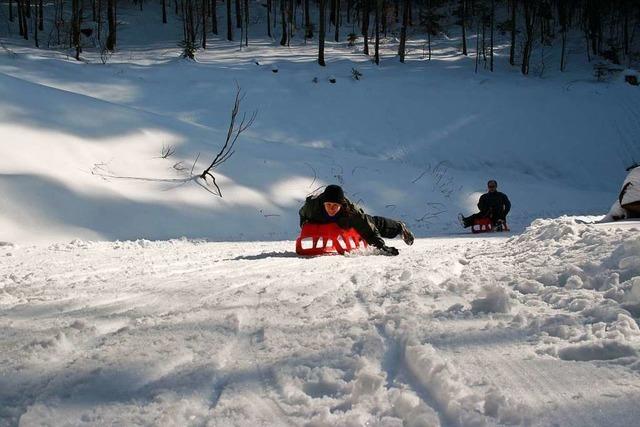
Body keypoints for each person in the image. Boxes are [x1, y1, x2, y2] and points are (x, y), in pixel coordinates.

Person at [299, 185, 414, 256]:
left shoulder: (350, 211)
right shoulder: (312, 207)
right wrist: (305, 223)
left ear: (341, 204)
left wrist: (381, 247)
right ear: (323, 202)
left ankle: (399, 227)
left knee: (371, 222)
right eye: (328, 204)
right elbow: (302, 213)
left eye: (335, 205)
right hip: (324, 221)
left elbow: (368, 229)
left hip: (345, 221)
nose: (331, 208)